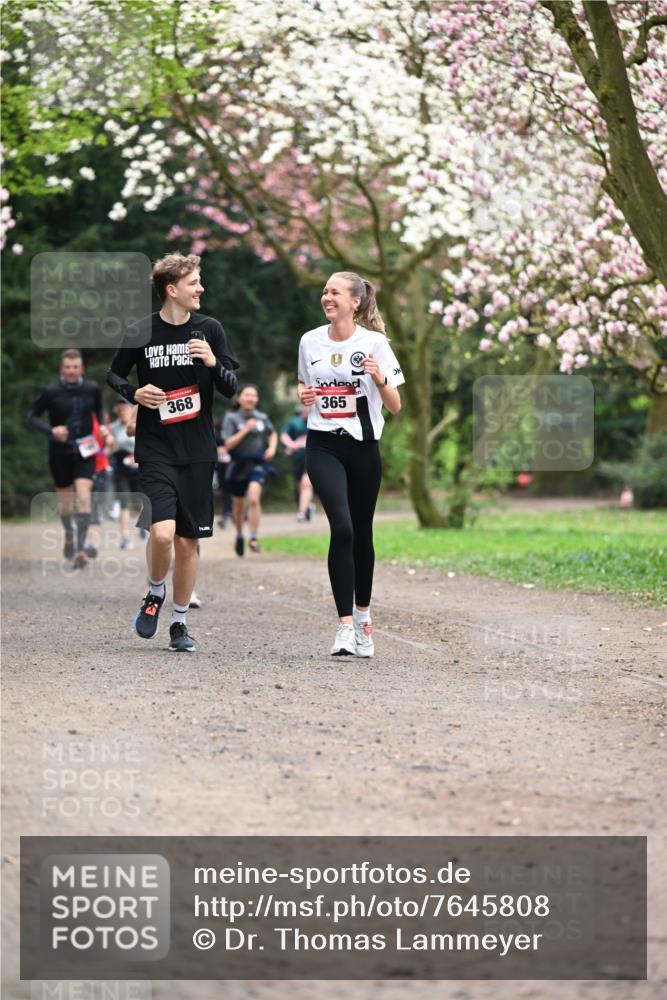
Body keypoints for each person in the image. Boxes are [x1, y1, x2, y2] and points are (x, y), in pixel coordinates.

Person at [107, 252, 238, 653]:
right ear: (172, 289)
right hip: (155, 447)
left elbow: (231, 385)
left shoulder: (209, 329)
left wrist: (214, 364)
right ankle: (154, 594)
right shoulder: (140, 332)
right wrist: (134, 392)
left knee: (186, 543)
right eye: (194, 282)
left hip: (198, 450)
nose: (201, 288)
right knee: (162, 534)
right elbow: (113, 374)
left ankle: (179, 623)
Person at [297, 272, 404, 657]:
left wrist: (378, 379)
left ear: (355, 301)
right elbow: (303, 384)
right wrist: (304, 395)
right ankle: (344, 626)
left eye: (335, 292)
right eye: (325, 291)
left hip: (364, 447)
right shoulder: (310, 340)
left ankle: (363, 619)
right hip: (323, 445)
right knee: (341, 527)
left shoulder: (375, 343)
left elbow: (395, 406)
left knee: (361, 532)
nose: (327, 297)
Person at [27, 348, 107, 569]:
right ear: (62, 369)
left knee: (83, 497)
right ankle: (69, 534)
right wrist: (51, 430)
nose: (72, 371)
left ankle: (80, 548)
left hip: (85, 451)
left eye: (75, 367)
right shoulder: (50, 391)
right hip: (59, 451)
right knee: (65, 503)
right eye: (67, 368)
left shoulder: (92, 388)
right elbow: (31, 417)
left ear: (82, 368)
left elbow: (99, 410)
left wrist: (101, 425)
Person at [222, 385, 278, 556]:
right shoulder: (231, 418)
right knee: (238, 505)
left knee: (253, 498)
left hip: (257, 463)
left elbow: (272, 433)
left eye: (254, 396)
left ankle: (253, 537)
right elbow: (227, 444)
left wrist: (272, 449)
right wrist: (246, 429)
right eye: (247, 395)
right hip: (238, 464)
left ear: (257, 399)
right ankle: (239, 535)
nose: (250, 398)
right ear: (239, 398)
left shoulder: (261, 417)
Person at [109, 397, 141, 549]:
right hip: (121, 469)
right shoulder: (113, 427)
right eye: (120, 410)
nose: (123, 412)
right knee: (123, 502)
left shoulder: (140, 423)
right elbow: (109, 448)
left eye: (125, 409)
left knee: (142, 500)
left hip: (140, 466)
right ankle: (125, 537)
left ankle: (144, 527)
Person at [281, 404, 314, 522]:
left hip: (312, 458)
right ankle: (307, 507)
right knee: (299, 485)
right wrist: (291, 445)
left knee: (307, 483)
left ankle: (301, 512)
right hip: (297, 459)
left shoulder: (318, 421)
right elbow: (284, 435)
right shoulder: (294, 422)